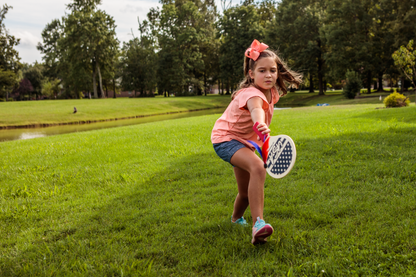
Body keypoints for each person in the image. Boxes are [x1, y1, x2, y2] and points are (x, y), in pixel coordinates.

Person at [211, 39, 302, 244]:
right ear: (251, 74)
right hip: (225, 140)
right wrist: (259, 123)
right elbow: (256, 110)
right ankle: (258, 224)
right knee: (258, 168)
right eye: (262, 71)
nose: (268, 75)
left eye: (273, 70)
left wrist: (261, 141)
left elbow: (263, 109)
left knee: (245, 192)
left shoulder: (272, 93)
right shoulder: (251, 93)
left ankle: (236, 219)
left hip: (245, 142)